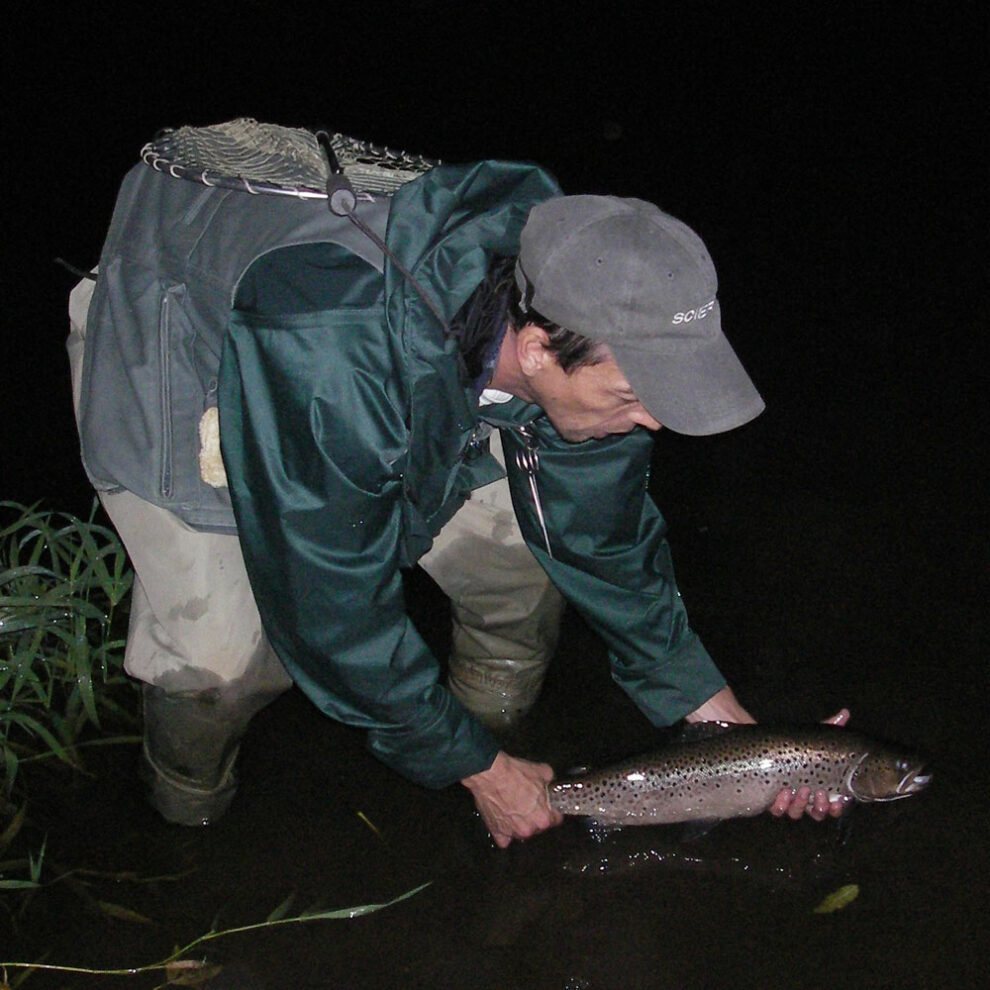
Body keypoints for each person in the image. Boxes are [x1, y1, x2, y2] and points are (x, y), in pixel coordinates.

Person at [69, 128, 846, 844]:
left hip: (423, 376)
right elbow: (329, 608)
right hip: (186, 341)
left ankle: (477, 742)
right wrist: (480, 769)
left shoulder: (586, 294)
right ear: (539, 350)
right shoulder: (333, 356)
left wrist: (720, 720)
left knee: (515, 567)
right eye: (633, 400)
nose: (653, 425)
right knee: (224, 661)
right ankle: (182, 815)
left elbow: (602, 536)